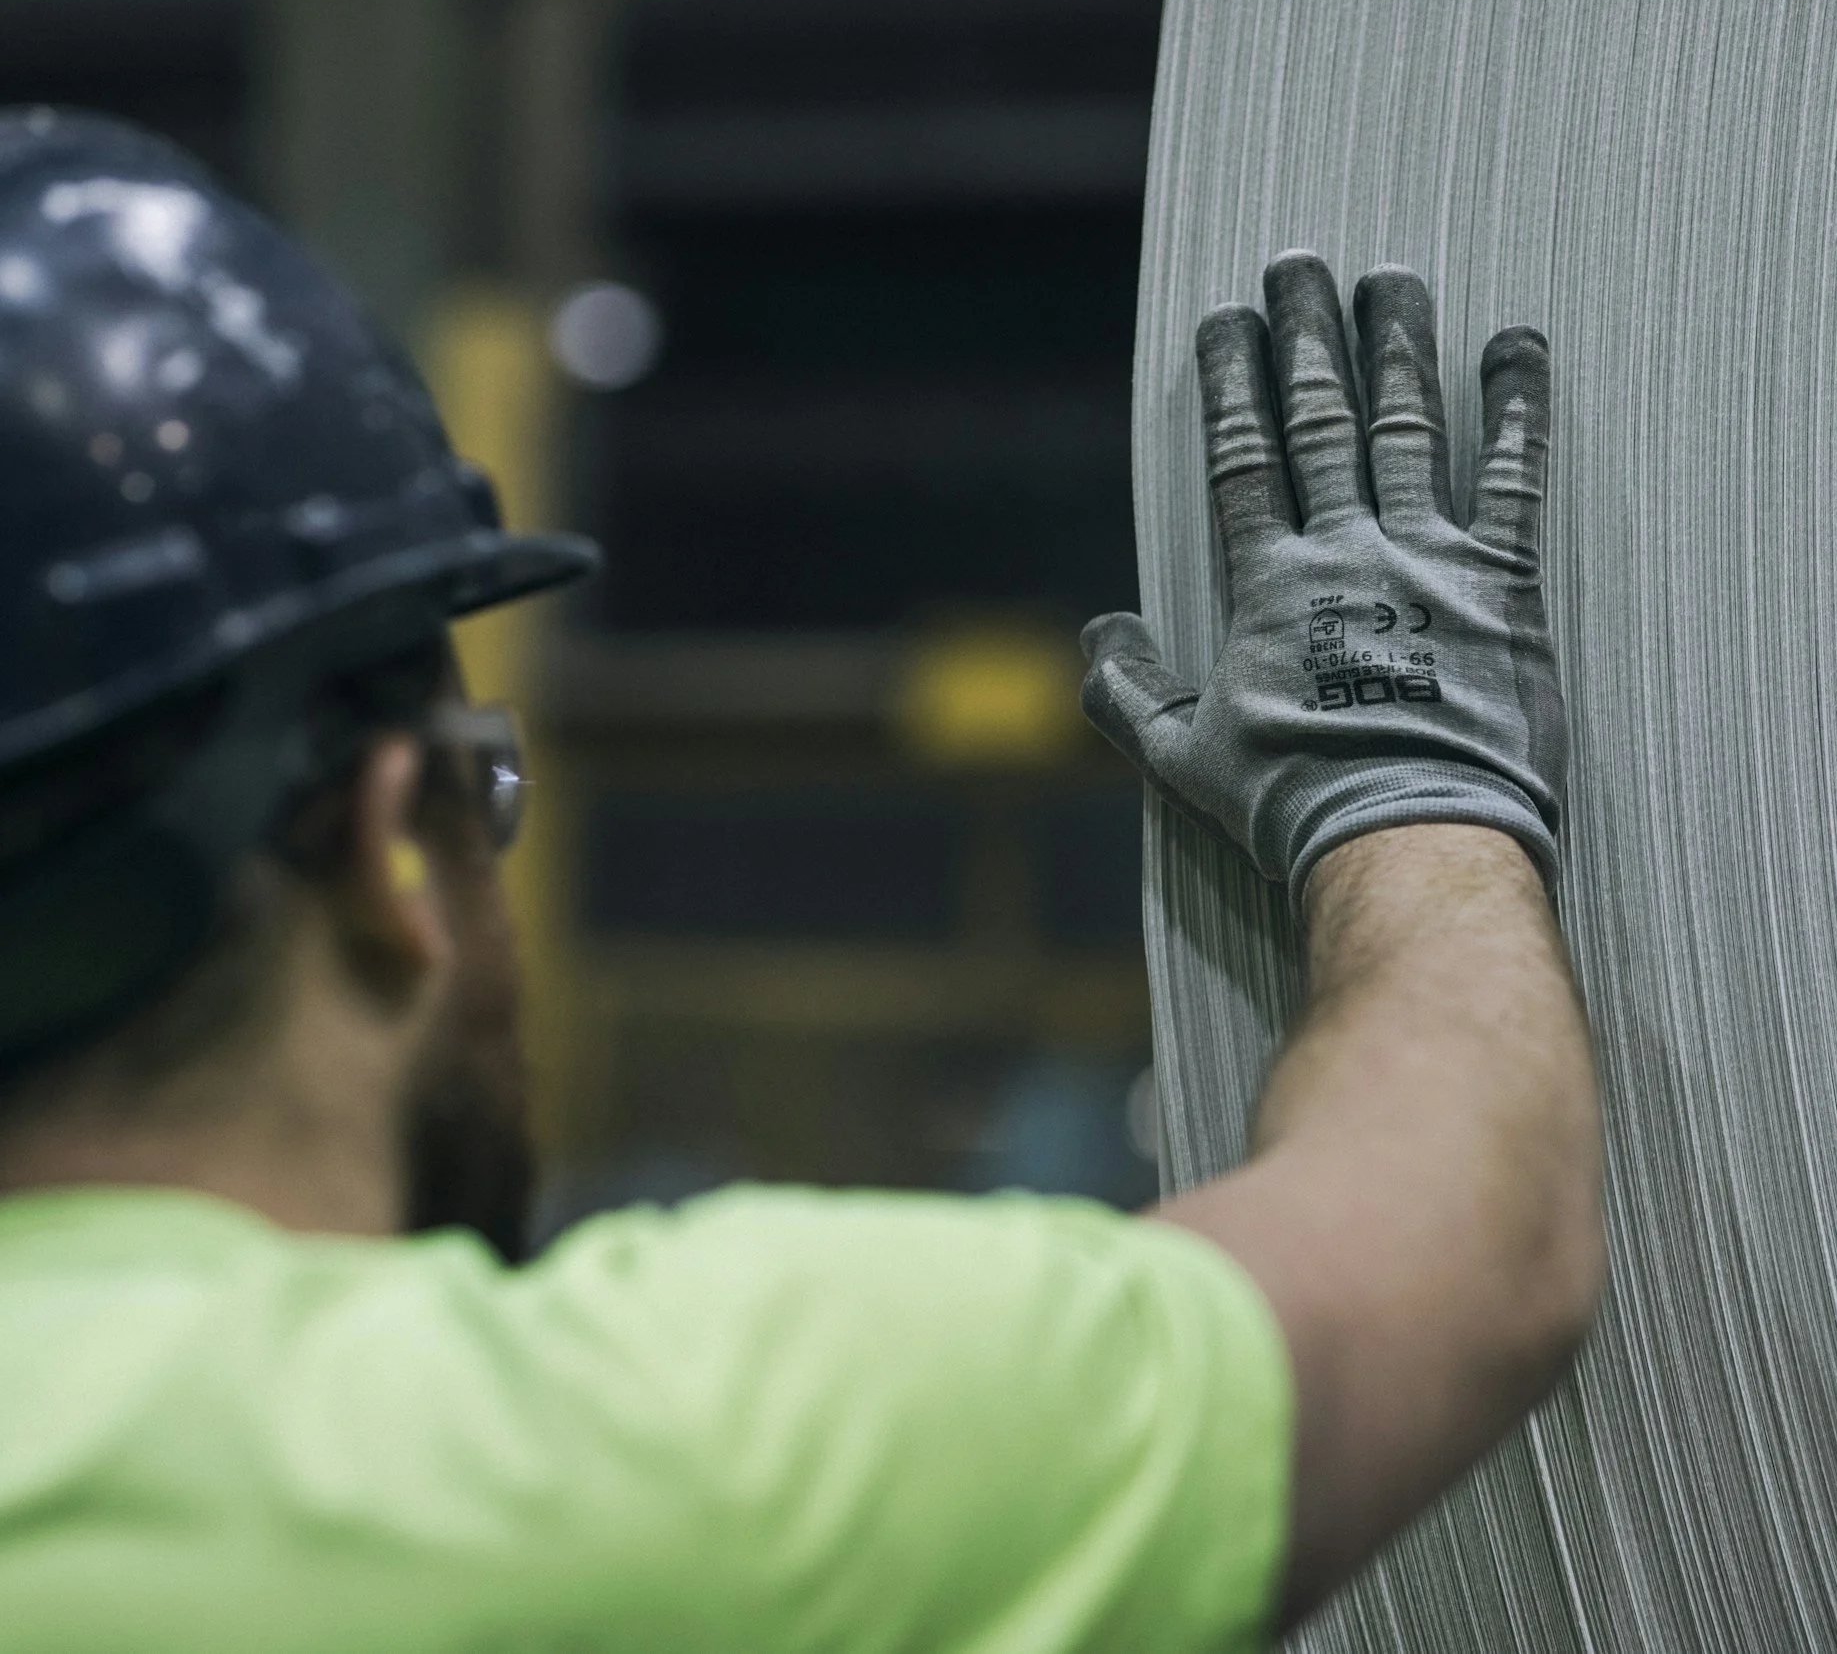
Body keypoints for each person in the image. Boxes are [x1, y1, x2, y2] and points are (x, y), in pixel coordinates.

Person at [0, 109, 1602, 1651]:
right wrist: (1401, 775)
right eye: (487, 790)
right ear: (390, 843)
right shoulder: (555, 1475)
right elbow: (1468, 1247)